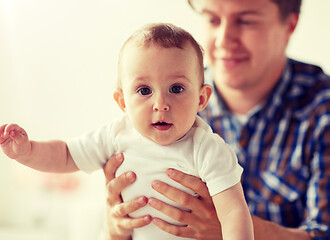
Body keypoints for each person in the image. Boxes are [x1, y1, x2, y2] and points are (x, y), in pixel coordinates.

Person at [0, 23, 254, 240]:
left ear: (201, 98)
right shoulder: (116, 134)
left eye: (176, 88)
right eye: (144, 91)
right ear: (122, 102)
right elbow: (66, 155)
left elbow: (233, 212)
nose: (160, 104)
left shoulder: (207, 149)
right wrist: (28, 151)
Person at [103, 0, 330, 239]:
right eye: (213, 19)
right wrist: (117, 227)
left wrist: (228, 225)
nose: (223, 40)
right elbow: (114, 228)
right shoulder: (157, 104)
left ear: (289, 25)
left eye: (245, 21)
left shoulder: (322, 111)